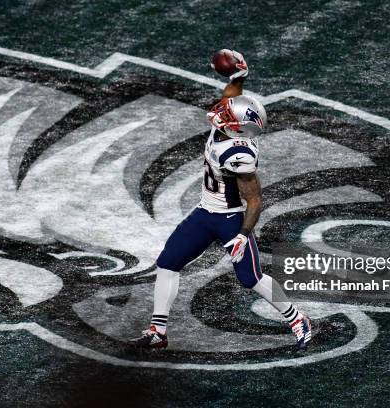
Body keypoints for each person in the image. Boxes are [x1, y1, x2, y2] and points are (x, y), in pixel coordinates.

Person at [129, 50, 311, 350]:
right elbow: (231, 99)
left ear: (236, 127)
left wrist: (242, 234)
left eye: (227, 114)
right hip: (205, 212)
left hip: (231, 219)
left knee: (251, 278)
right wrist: (239, 77)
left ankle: (297, 318)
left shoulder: (240, 154)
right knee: (167, 263)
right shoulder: (228, 125)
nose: (221, 111)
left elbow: (254, 200)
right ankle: (158, 331)